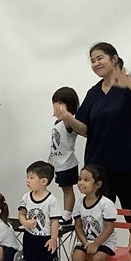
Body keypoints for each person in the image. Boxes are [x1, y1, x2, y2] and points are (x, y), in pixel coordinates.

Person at [56, 42, 131, 209]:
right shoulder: (93, 93)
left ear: (114, 59)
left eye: (100, 58)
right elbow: (86, 130)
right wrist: (68, 118)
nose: (96, 63)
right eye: (92, 61)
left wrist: (130, 84)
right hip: (98, 170)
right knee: (98, 218)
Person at [63, 165, 117, 261]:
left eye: (86, 180)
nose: (81, 183)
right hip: (87, 240)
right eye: (80, 179)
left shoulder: (106, 204)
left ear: (98, 184)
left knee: (98, 258)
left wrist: (95, 244)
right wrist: (85, 242)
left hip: (105, 241)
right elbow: (78, 226)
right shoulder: (79, 203)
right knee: (76, 256)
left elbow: (109, 228)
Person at [18, 161, 60, 261]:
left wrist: (53, 239)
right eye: (27, 177)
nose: (27, 181)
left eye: (31, 178)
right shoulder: (26, 197)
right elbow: (21, 213)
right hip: (30, 237)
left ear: (43, 181)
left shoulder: (51, 200)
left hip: (46, 239)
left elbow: (54, 222)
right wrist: (25, 222)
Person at [49, 86, 80, 223]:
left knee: (67, 190)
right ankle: (65, 214)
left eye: (61, 103)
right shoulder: (57, 123)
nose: (57, 106)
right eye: (55, 102)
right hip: (58, 162)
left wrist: (66, 115)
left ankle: (67, 216)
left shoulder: (69, 121)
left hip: (67, 163)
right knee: (64, 189)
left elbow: (70, 122)